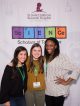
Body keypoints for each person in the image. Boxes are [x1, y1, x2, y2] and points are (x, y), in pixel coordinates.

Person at [44, 37, 80, 106]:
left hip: (59, 91)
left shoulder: (61, 57)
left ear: (55, 46)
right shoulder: (45, 57)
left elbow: (77, 69)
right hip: (47, 91)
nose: (48, 47)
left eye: (51, 45)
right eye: (47, 45)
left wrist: (67, 81)